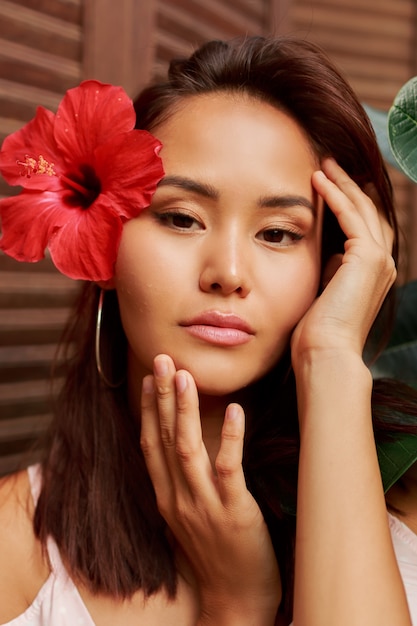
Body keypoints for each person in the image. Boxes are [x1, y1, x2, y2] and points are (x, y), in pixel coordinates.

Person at [0, 34, 417, 626]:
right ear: (105, 248)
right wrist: (237, 606)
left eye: (278, 233)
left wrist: (329, 359)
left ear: (334, 264)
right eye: (179, 218)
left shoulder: (407, 492)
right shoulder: (13, 540)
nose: (227, 273)